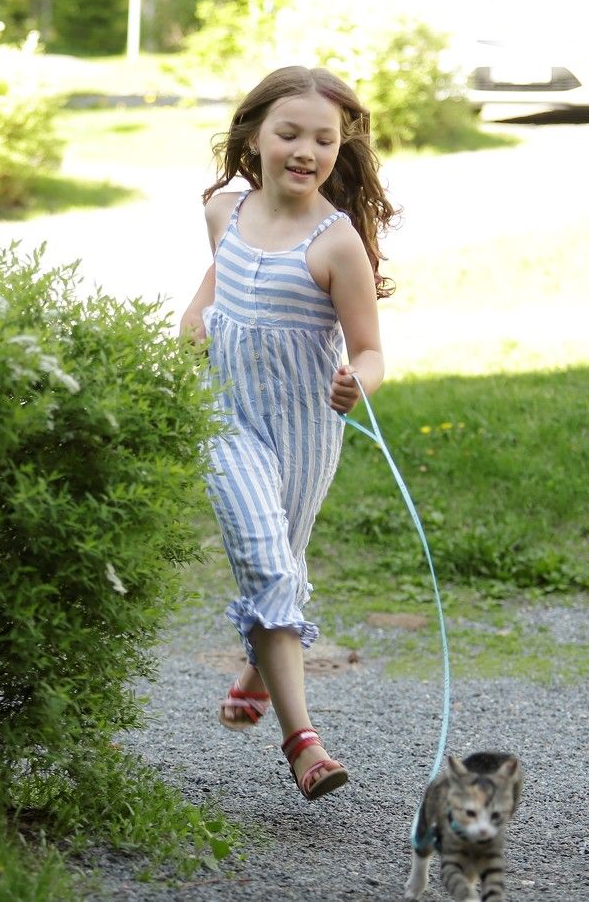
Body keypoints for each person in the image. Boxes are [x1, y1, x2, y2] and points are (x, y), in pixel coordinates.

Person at [179, 65, 396, 803]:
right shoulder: (223, 211)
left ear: (341, 149)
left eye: (324, 140)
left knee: (286, 563)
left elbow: (370, 350)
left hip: (306, 431)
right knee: (268, 563)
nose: (306, 151)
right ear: (254, 137)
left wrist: (359, 380)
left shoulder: (337, 245)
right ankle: (304, 743)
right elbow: (217, 280)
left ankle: (256, 671)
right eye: (290, 134)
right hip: (229, 420)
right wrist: (195, 319)